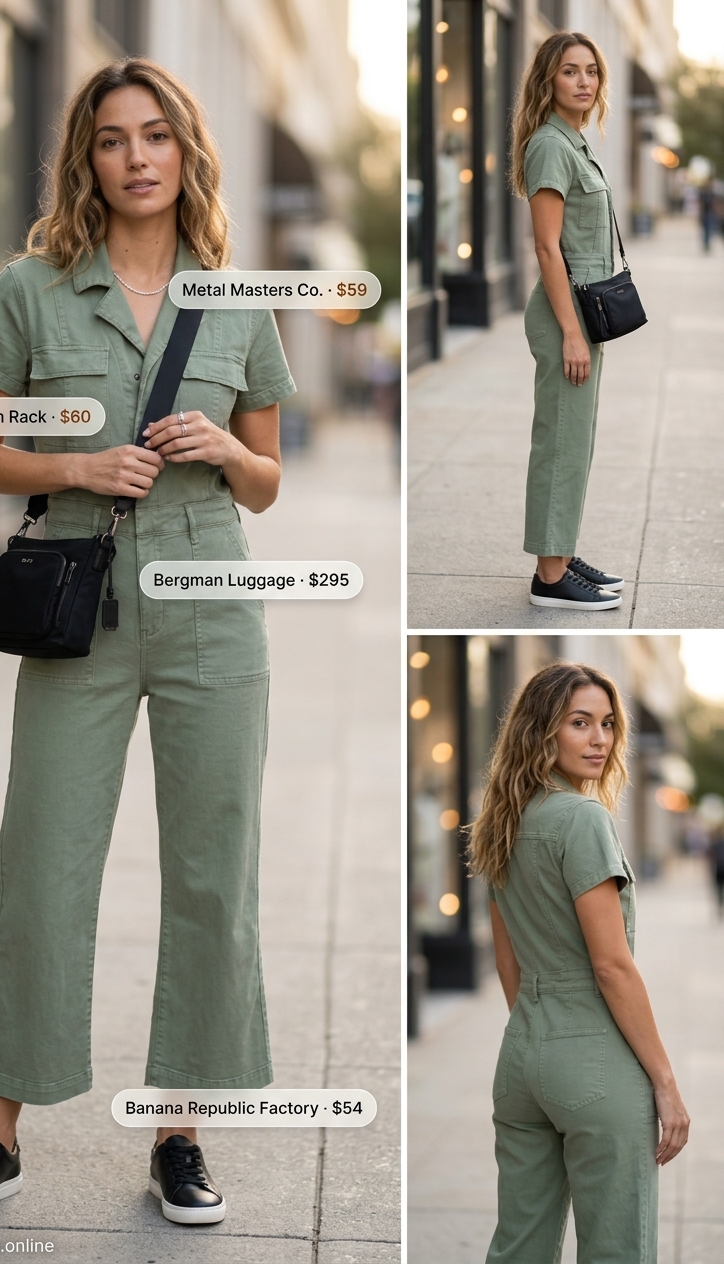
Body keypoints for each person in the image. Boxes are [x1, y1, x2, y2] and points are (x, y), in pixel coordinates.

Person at [0, 57, 295, 1226]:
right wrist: (75, 463)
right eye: (111, 140)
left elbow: (269, 478)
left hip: (210, 601)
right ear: (86, 159)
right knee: (40, 863)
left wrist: (224, 453)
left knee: (210, 871)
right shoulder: (33, 287)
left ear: (187, 151)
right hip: (78, 596)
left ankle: (179, 1130)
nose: (135, 158)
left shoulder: (235, 295)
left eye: (155, 137)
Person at [467, 662, 690, 1263]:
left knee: (519, 1245)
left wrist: (540, 1037)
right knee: (617, 1248)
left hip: (523, 1058)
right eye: (580, 723)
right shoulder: (583, 819)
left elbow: (506, 959)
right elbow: (612, 966)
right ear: (542, 731)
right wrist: (665, 1085)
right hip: (595, 1060)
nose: (599, 739)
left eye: (609, 724)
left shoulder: (503, 822)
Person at [510, 33, 625, 610]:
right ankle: (549, 576)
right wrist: (573, 333)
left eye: (591, 71)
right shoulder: (551, 146)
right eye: (570, 72)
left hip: (579, 312)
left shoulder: (574, 141)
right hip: (565, 315)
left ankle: (561, 551)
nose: (584, 81)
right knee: (560, 440)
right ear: (548, 81)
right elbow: (547, 248)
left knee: (575, 440)